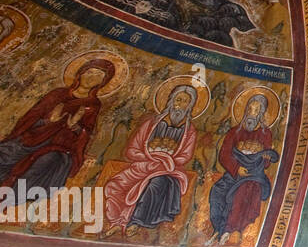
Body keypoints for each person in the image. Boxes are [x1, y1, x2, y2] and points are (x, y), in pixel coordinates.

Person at [0, 58, 114, 195]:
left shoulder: (93, 105)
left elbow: (87, 132)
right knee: (6, 152)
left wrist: (74, 127)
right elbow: (30, 118)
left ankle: (11, 196)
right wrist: (48, 121)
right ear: (81, 73)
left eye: (98, 76)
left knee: (48, 160)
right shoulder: (58, 94)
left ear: (102, 82)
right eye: (90, 72)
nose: (91, 78)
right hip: (33, 137)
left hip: (62, 147)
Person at [102, 85, 199, 236]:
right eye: (178, 99)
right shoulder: (151, 124)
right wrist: (151, 157)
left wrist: (165, 160)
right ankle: (117, 222)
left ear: (190, 106)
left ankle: (135, 221)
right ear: (171, 101)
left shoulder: (189, 131)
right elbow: (131, 150)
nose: (180, 104)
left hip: (169, 170)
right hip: (143, 166)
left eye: (186, 101)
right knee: (116, 186)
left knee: (157, 183)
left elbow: (184, 156)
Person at [207, 93, 278, 246]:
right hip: (234, 173)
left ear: (261, 114)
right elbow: (224, 154)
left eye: (256, 110)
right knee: (217, 191)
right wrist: (236, 168)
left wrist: (263, 158)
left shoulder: (266, 134)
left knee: (244, 191)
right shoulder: (234, 132)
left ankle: (229, 228)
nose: (252, 113)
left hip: (253, 176)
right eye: (250, 109)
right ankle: (218, 227)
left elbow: (265, 163)